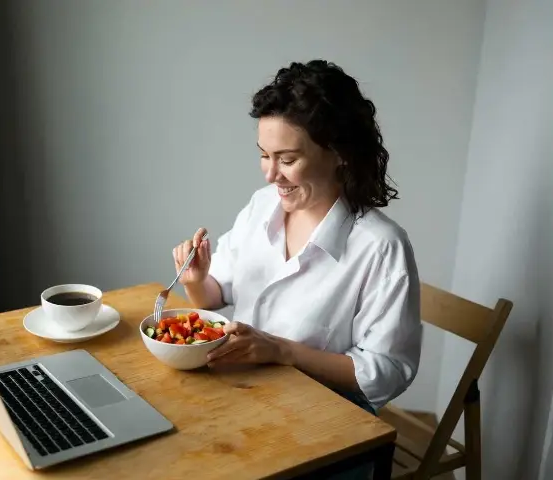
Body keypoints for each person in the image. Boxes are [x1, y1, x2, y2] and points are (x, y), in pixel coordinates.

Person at [173, 60, 422, 417]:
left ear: (339, 154)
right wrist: (196, 280)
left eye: (287, 159)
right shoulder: (262, 206)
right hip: (243, 395)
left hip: (321, 417)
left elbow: (388, 372)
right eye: (264, 155)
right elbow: (214, 296)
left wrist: (282, 351)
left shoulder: (381, 247)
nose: (271, 175)